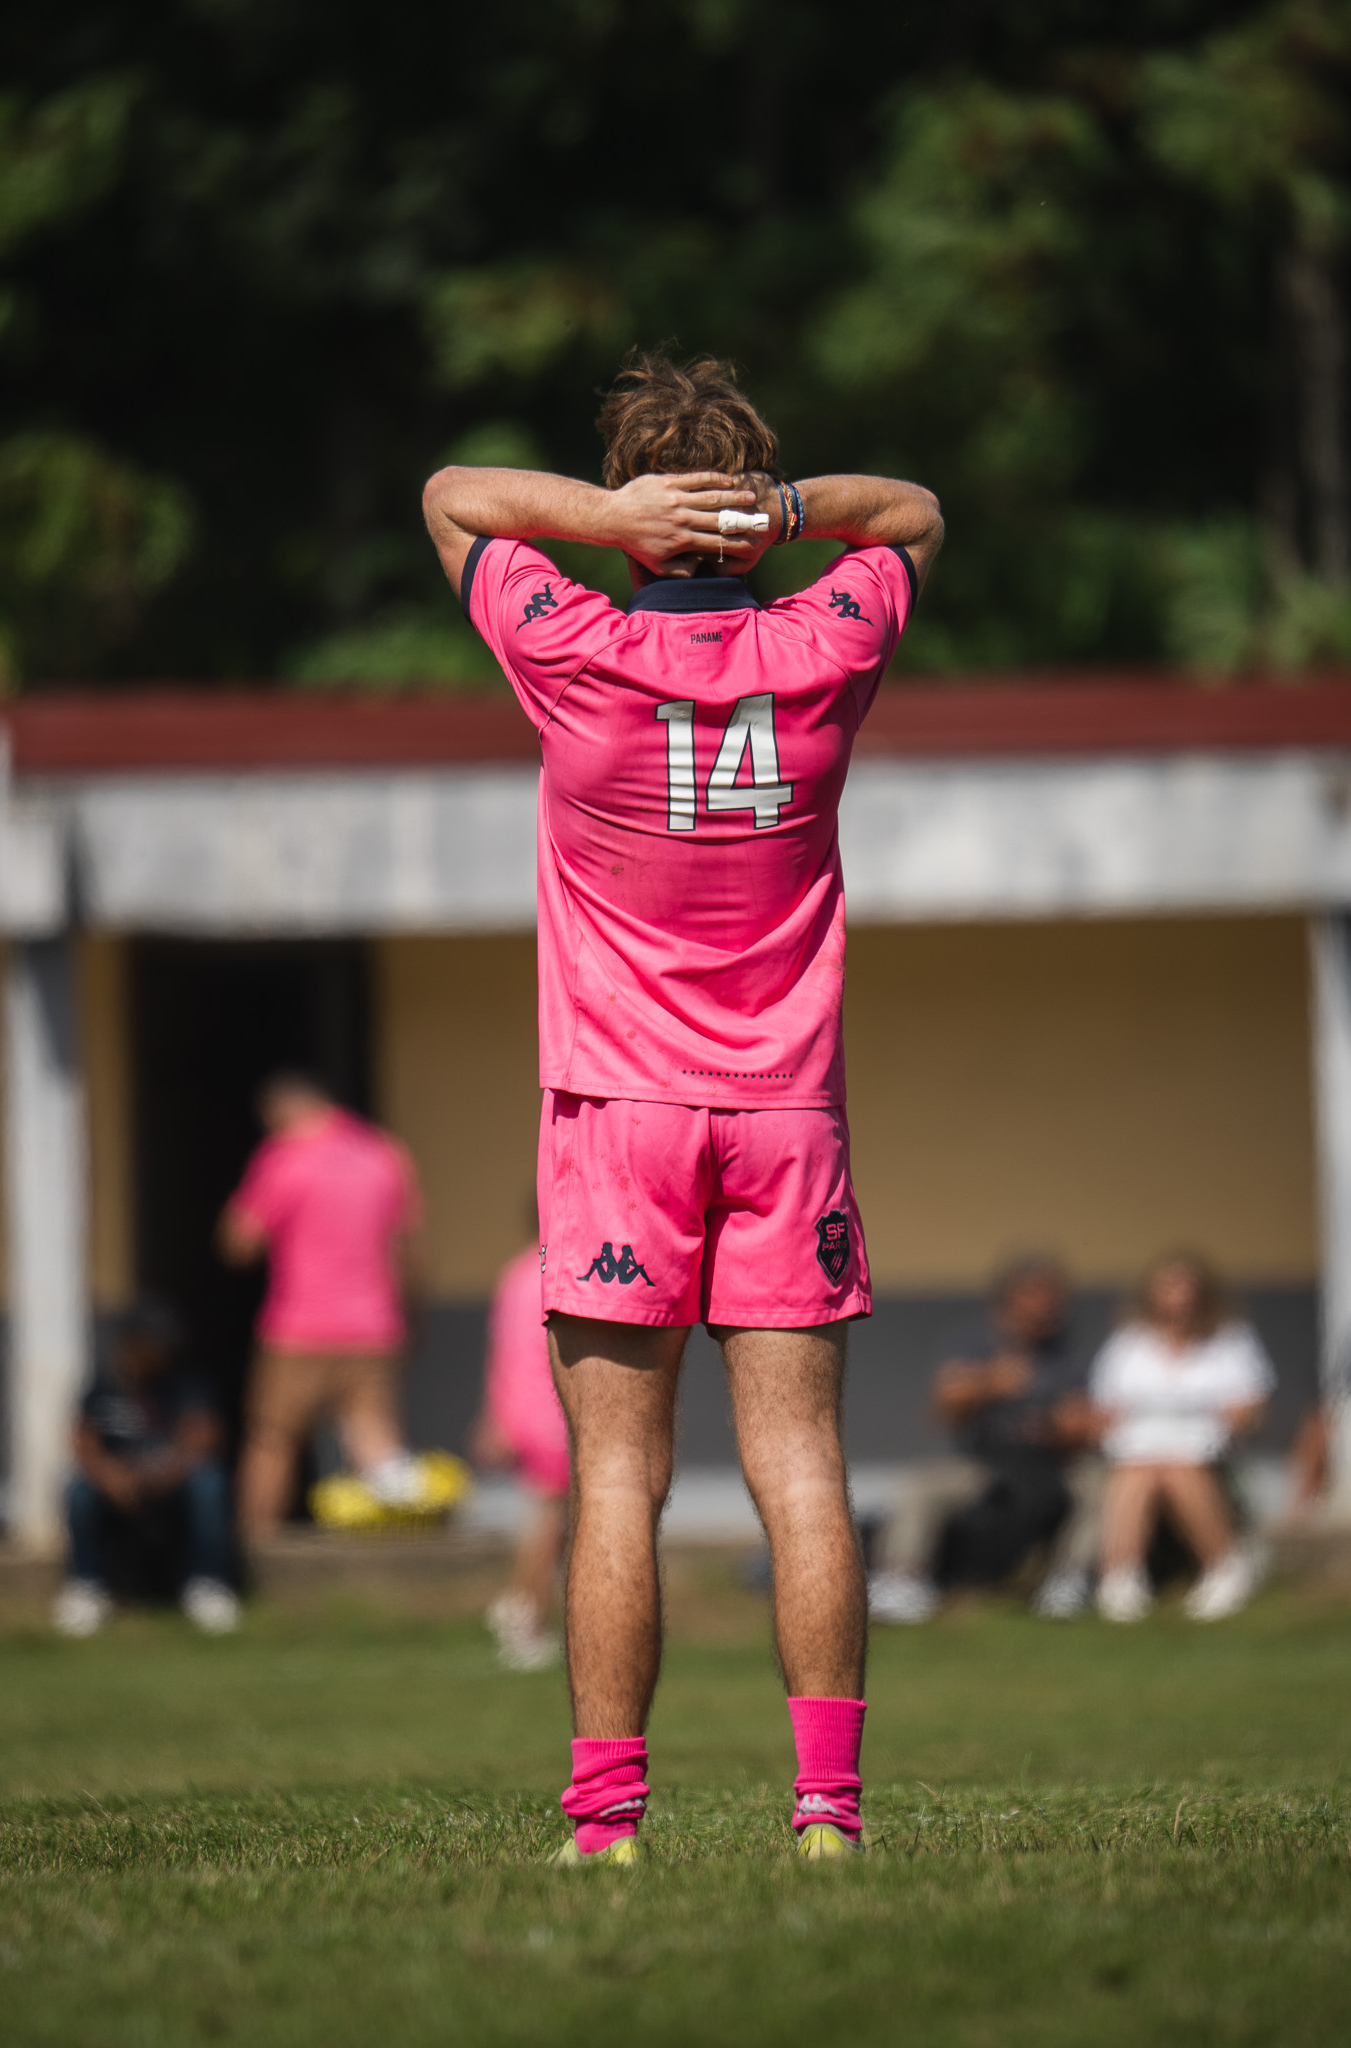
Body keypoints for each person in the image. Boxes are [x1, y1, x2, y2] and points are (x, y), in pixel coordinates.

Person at [423, 351, 943, 1861]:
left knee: (615, 1475)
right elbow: (912, 513)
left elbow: (451, 497)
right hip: (786, 1115)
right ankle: (827, 1814)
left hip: (617, 1113)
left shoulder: (573, 644)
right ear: (749, 509)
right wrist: (779, 512)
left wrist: (605, 519)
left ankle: (608, 1824)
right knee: (802, 1465)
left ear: (637, 507)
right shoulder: (823, 643)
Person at [219, 1072, 426, 1536]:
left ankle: (256, 1549)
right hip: (374, 1327)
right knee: (375, 1439)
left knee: (272, 1440)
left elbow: (239, 1243)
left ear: (279, 1111)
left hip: (297, 1330)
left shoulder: (283, 1157)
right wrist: (412, 1316)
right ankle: (403, 1550)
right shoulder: (384, 1154)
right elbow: (409, 1249)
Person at [868, 1256, 1103, 1624]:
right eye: (1037, 1296)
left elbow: (1090, 1422)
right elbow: (945, 1403)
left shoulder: (1069, 1353)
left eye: (1054, 1298)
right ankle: (901, 1580)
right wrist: (992, 1383)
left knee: (1102, 1487)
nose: (1047, 1307)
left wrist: (1056, 1427)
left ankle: (1069, 1581)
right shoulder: (974, 1344)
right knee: (921, 1487)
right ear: (1010, 1298)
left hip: (1055, 1465)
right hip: (985, 1462)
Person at [1090, 1252, 1274, 1622]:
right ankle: (1121, 1576)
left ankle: (1223, 1567)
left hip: (1207, 1447)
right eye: (1169, 1289)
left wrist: (1204, 1414)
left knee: (1177, 1468)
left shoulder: (1231, 1341)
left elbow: (1250, 1408)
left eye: (1185, 1289)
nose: (1178, 1300)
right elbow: (1103, 1409)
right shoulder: (1129, 1343)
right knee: (1140, 1469)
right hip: (1138, 1447)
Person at [54, 1299, 240, 1637]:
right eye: (154, 1342)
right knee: (77, 1490)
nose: (161, 1351)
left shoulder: (187, 1382)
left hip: (171, 1483)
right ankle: (87, 1586)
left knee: (209, 1482)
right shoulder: (104, 1383)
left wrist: (161, 1473)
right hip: (118, 1485)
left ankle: (207, 1584)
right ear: (133, 1341)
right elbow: (83, 1440)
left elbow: (204, 1438)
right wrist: (109, 1475)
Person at [471, 1234, 569, 1672]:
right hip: (551, 1411)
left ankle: (518, 1602)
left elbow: (501, 1352)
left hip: (522, 1410)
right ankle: (526, 1616)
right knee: (551, 1520)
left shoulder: (515, 1275)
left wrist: (497, 1416)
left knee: (548, 1517)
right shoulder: (563, 1271)